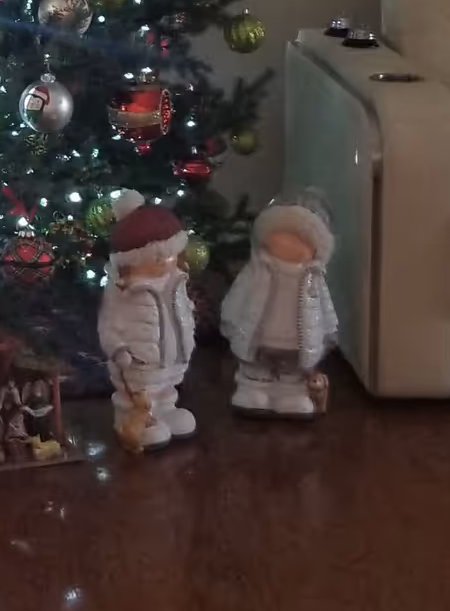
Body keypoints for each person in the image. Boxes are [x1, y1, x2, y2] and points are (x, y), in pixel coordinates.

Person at [97, 193, 197, 452]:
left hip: (172, 355)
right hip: (138, 360)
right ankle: (134, 419)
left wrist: (188, 327)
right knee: (140, 393)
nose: (165, 262)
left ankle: (166, 410)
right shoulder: (122, 290)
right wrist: (117, 348)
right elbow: (108, 323)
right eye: (155, 258)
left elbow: (183, 309)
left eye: (169, 255)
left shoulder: (177, 280)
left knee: (165, 387)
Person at [221, 197, 338, 416]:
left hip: (297, 342)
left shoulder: (313, 279)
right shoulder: (257, 271)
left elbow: (325, 308)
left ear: (315, 248)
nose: (288, 242)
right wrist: (231, 320)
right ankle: (253, 390)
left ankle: (291, 394)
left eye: (298, 239)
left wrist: (329, 331)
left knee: (292, 372)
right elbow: (238, 297)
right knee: (256, 366)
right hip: (259, 337)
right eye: (282, 235)